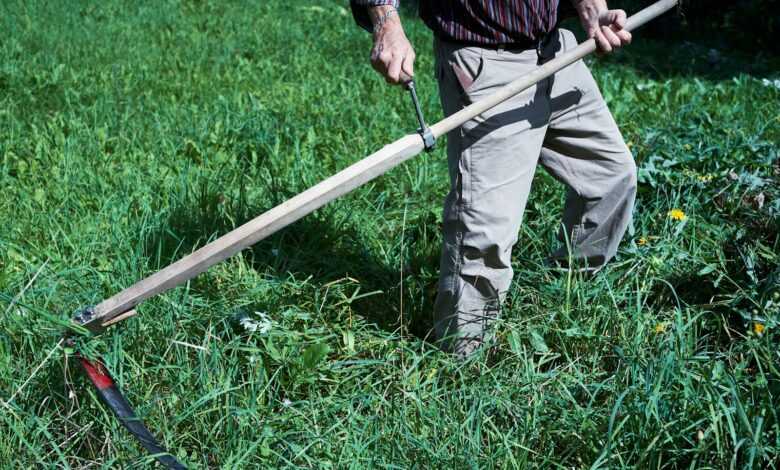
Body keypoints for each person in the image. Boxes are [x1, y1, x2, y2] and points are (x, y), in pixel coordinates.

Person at [350, 1, 637, 358]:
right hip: (488, 63)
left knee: (611, 178)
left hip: (556, 50)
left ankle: (561, 300)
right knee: (484, 234)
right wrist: (386, 22)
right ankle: (460, 367)